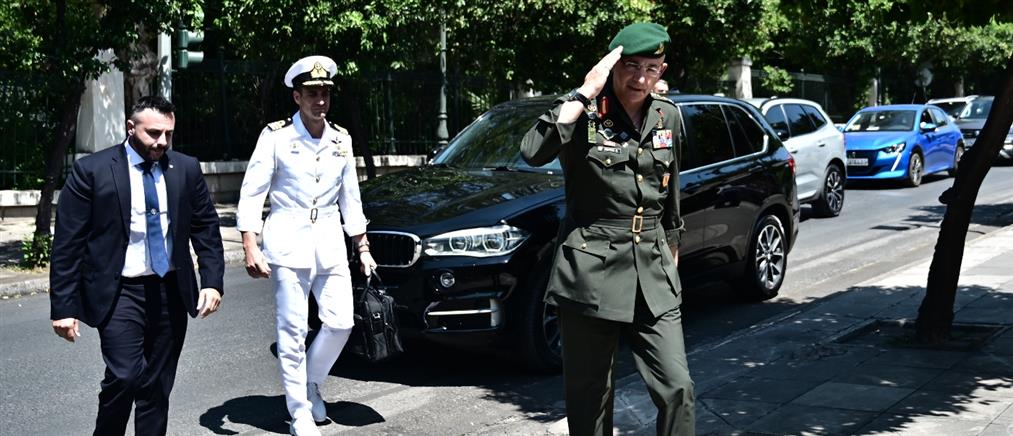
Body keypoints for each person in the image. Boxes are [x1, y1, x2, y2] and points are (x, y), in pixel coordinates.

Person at [521, 23, 694, 436]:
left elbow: (670, 194)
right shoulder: (583, 112)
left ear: (662, 70)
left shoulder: (667, 115)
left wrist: (672, 255)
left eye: (650, 68)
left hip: (652, 266)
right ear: (612, 65)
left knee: (678, 387)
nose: (640, 79)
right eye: (631, 66)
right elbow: (532, 151)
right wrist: (586, 90)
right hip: (591, 269)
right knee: (591, 396)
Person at [50, 95, 225, 436]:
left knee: (157, 386)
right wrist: (63, 307)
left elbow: (206, 226)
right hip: (120, 292)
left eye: (168, 134)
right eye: (153, 133)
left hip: (170, 289)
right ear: (130, 128)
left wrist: (212, 281)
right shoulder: (93, 171)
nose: (161, 142)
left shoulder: (185, 168)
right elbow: (68, 244)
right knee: (125, 376)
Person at [236, 55, 377, 436]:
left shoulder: (340, 139)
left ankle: (311, 382)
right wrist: (250, 243)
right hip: (288, 241)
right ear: (297, 97)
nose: (320, 100)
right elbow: (252, 193)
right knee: (293, 331)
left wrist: (362, 246)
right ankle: (298, 411)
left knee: (341, 322)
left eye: (325, 93)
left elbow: (350, 197)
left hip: (329, 241)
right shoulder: (276, 136)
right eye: (312, 93)